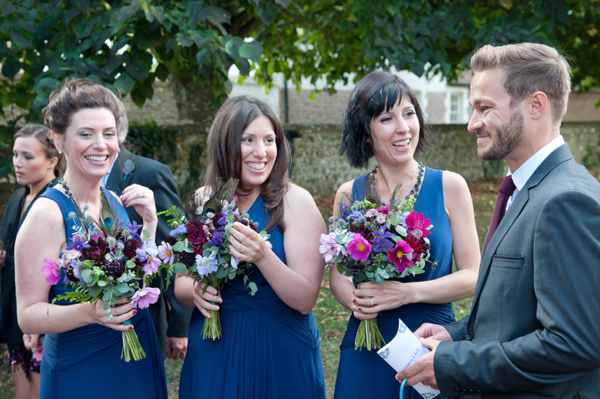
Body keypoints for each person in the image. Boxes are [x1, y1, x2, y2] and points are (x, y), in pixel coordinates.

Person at [396, 43, 600, 397]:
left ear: (536, 105)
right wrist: (456, 335)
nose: (473, 123)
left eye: (485, 108)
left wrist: (455, 362)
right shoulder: (523, 190)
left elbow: (575, 343)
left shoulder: (566, 200)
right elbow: (517, 313)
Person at [331, 70, 480, 399]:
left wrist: (407, 294)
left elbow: (473, 276)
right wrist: (356, 301)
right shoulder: (348, 194)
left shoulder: (450, 186)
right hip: (366, 342)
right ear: (366, 132)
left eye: (409, 114)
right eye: (387, 118)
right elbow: (339, 277)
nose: (403, 128)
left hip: (429, 341)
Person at [14, 79, 167, 398]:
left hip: (134, 354)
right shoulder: (48, 213)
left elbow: (139, 280)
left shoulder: (113, 201)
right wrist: (89, 312)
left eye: (108, 133)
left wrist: (150, 223)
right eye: (86, 134)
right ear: (58, 140)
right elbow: (28, 316)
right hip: (82, 368)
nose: (101, 145)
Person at [175, 95, 326, 398]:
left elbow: (305, 299)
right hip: (215, 347)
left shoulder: (295, 201)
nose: (261, 152)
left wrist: (263, 257)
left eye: (269, 140)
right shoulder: (204, 200)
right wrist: (196, 291)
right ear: (225, 144)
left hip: (279, 348)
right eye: (248, 140)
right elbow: (180, 281)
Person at [104, 99, 191, 360]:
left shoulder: (149, 173)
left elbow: (176, 250)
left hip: (141, 318)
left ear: (117, 126)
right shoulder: (64, 184)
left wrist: (180, 324)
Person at [1, 124, 63, 399]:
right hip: (14, 308)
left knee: (41, 391)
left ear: (53, 160)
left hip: (45, 312)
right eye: (15, 155)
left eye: (28, 156)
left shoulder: (57, 202)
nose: (17, 163)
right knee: (21, 391)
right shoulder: (18, 197)